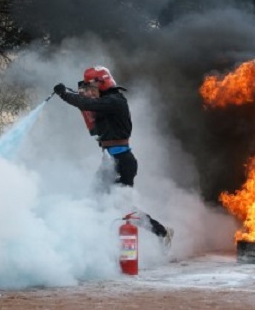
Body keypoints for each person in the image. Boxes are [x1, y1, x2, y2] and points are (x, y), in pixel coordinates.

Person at [53, 66, 173, 246]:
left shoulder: (114, 101)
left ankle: (161, 233)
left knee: (122, 206)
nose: (89, 90)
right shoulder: (106, 102)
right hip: (109, 161)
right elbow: (90, 112)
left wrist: (64, 94)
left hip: (122, 162)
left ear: (101, 82)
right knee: (95, 201)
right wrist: (75, 96)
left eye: (91, 85)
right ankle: (100, 247)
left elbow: (89, 104)